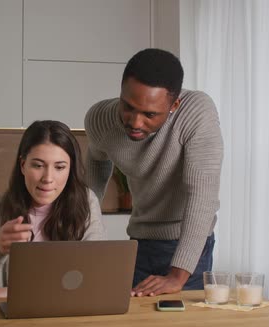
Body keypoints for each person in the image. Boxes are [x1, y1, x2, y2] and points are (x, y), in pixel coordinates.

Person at [84, 48, 223, 297]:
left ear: (174, 105)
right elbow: (96, 162)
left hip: (188, 245)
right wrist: (82, 221)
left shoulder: (197, 112)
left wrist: (177, 275)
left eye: (149, 114)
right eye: (128, 107)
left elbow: (202, 197)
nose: (135, 122)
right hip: (139, 242)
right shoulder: (100, 118)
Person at [0, 120, 106, 300]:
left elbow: (94, 280)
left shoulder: (86, 203)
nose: (48, 178)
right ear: (23, 165)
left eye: (59, 167)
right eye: (38, 165)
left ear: (70, 169)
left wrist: (8, 293)